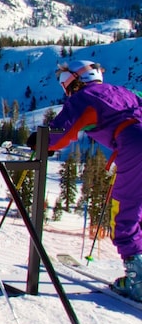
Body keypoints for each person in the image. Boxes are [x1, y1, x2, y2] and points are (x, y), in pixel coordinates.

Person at [28, 60, 142, 301]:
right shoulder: (123, 91)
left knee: (125, 209)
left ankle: (138, 278)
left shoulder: (84, 97)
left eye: (63, 82)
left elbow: (61, 133)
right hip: (133, 142)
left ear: (74, 81)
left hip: (134, 146)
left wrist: (40, 142)